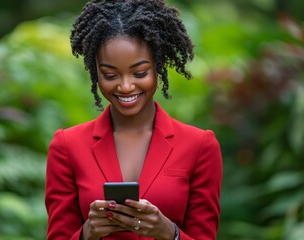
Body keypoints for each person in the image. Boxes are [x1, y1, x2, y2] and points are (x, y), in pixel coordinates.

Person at [45, 0, 223, 239]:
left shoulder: (199, 145)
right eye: (110, 74)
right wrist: (87, 233)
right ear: (95, 71)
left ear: (158, 66)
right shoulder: (67, 146)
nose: (126, 86)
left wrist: (169, 233)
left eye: (140, 73)